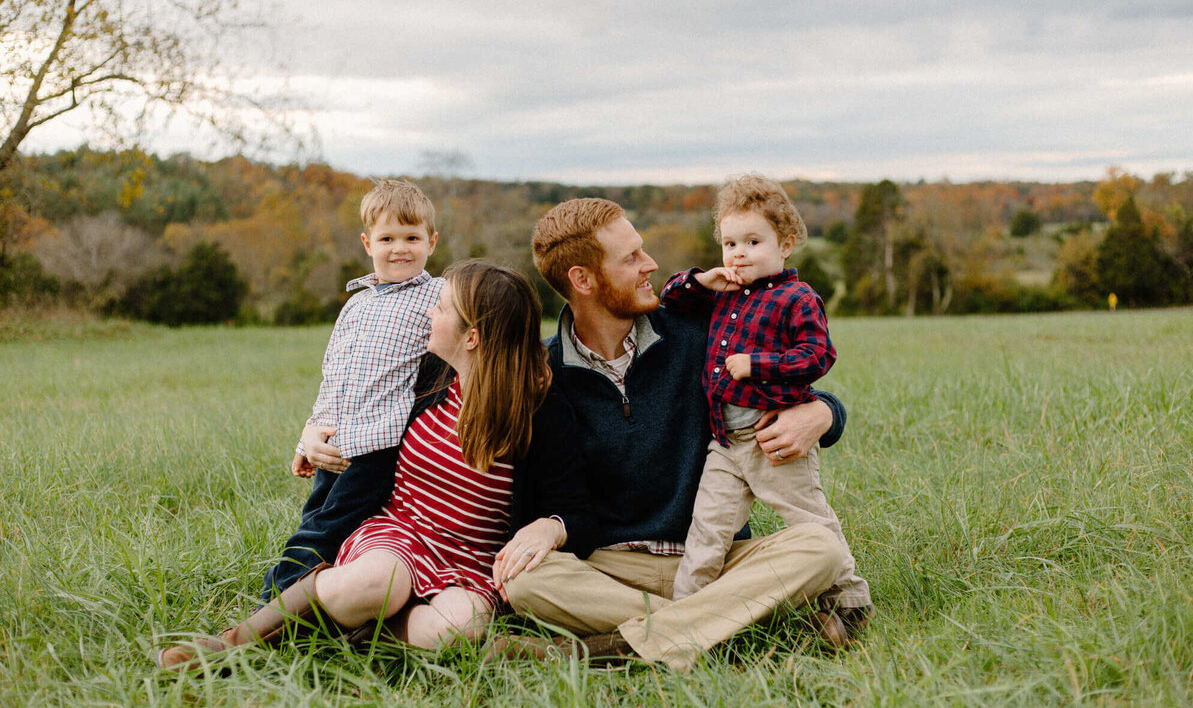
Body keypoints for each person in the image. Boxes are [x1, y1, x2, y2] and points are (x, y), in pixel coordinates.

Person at [156, 262, 593, 670]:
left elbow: (573, 506)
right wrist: (310, 434)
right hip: (401, 532)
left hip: (472, 558)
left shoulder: (540, 411)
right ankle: (226, 649)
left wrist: (551, 524)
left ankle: (364, 632)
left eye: (439, 308)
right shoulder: (429, 376)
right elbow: (353, 402)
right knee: (370, 583)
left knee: (459, 630)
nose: (428, 315)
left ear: (472, 337)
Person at [491, 197, 856, 672]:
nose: (651, 265)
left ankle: (609, 650)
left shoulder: (700, 330)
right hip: (610, 568)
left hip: (716, 559)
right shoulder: (543, 372)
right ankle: (731, 627)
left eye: (642, 250)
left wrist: (823, 414)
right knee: (526, 581)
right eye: (631, 258)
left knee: (820, 548)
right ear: (582, 280)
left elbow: (805, 379)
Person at [659, 174, 872, 627]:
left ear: (786, 244)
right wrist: (703, 280)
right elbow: (670, 299)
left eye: (753, 241)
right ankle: (684, 616)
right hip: (725, 441)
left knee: (809, 518)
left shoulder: (797, 297)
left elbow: (818, 355)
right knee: (707, 530)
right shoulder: (723, 295)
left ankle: (850, 602)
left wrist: (758, 364)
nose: (739, 253)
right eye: (730, 243)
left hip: (770, 436)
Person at [260, 178, 443, 602]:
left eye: (412, 237)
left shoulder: (436, 295)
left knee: (326, 525)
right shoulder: (356, 304)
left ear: (431, 242)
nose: (401, 248)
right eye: (388, 238)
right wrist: (309, 434)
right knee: (317, 515)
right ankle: (327, 588)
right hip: (336, 444)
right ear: (367, 243)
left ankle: (276, 597)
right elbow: (334, 376)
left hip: (379, 445)